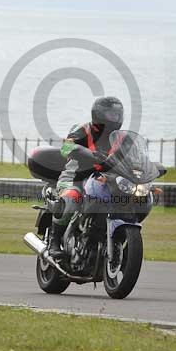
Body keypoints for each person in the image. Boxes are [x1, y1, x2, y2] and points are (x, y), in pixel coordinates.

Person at [48, 96, 124, 258]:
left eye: (117, 115)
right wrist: (88, 153)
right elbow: (66, 147)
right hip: (74, 180)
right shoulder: (83, 129)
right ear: (99, 115)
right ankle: (54, 241)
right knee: (72, 197)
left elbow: (133, 158)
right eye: (111, 115)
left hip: (104, 182)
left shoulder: (121, 138)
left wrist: (147, 168)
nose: (115, 119)